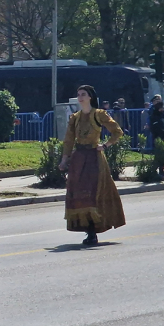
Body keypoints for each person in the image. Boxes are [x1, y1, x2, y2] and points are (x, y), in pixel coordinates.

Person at [59, 85, 126, 245]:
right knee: (78, 195)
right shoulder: (74, 117)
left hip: (94, 158)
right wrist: (64, 159)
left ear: (90, 97)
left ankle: (93, 231)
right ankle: (88, 230)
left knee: (93, 194)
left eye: (83, 94)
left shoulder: (99, 114)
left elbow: (117, 131)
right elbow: (69, 140)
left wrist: (106, 145)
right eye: (78, 94)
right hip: (79, 159)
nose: (80, 97)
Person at [149, 102, 164, 176]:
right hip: (158, 138)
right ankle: (153, 171)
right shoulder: (154, 116)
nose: (163, 109)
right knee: (158, 155)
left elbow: (163, 126)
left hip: (163, 137)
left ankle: (161, 170)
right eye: (161, 107)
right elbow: (157, 128)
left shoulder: (161, 116)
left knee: (163, 155)